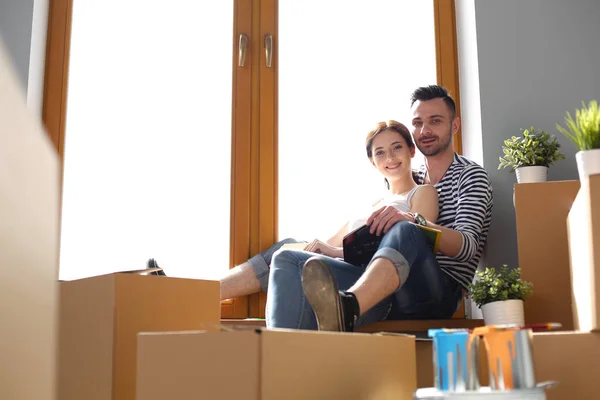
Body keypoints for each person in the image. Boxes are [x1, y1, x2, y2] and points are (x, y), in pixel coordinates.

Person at [266, 85, 493, 331]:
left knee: (406, 228)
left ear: (455, 125)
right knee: (287, 257)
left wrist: (413, 220)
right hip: (383, 287)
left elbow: (468, 248)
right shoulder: (409, 177)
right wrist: (329, 249)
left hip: (434, 292)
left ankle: (346, 308)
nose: (424, 130)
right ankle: (278, 352)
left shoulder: (470, 176)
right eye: (417, 123)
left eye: (435, 121)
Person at [147, 120, 438, 303]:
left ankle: (186, 297)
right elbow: (328, 244)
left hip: (372, 280)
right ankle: (189, 294)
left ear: (411, 151)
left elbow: (416, 238)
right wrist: (318, 249)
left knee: (288, 251)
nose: (390, 158)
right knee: (287, 246)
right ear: (372, 162)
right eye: (380, 152)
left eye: (397, 148)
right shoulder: (371, 205)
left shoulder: (420, 193)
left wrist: (332, 252)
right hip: (345, 265)